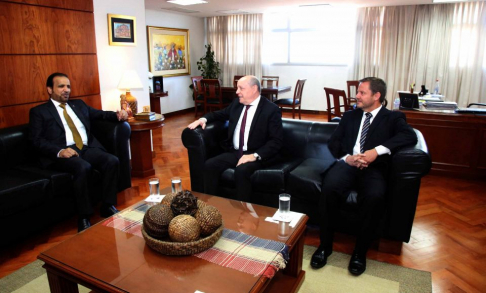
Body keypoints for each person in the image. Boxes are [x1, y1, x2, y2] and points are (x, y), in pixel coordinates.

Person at [311, 77, 417, 275]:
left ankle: (359, 252)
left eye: (362, 93)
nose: (357, 96)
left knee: (375, 197)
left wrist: (376, 151)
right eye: (358, 92)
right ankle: (325, 246)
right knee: (329, 188)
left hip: (374, 168)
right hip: (348, 165)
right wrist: (347, 158)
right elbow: (334, 143)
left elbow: (410, 136)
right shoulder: (350, 116)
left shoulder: (393, 118)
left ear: (376, 96)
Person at [29, 73, 129, 232]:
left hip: (85, 148)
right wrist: (59, 151)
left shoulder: (79, 105)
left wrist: (118, 115)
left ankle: (107, 205)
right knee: (83, 168)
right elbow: (36, 140)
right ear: (49, 90)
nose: (66, 90)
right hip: (64, 152)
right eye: (61, 86)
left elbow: (100, 114)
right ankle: (84, 216)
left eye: (68, 86)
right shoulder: (39, 112)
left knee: (112, 161)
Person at [187, 75, 283, 202]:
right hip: (236, 152)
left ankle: (242, 214)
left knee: (241, 171)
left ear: (254, 89)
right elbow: (219, 114)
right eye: (237, 88)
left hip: (256, 154)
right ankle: (210, 207)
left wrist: (254, 155)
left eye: (241, 88)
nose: (237, 92)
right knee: (210, 165)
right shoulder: (237, 104)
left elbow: (276, 141)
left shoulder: (271, 110)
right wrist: (203, 119)